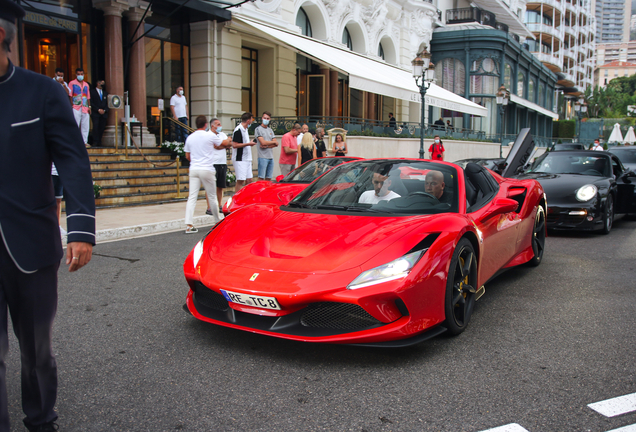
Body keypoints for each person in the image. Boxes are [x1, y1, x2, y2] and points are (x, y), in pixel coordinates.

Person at [0, 3, 96, 431]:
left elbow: (73, 161)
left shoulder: (42, 91)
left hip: (30, 244)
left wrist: (81, 230)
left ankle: (40, 421)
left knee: (36, 348)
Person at [184, 115, 223, 233]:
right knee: (212, 196)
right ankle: (217, 221)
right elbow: (222, 143)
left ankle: (189, 224)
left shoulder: (190, 137)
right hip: (206, 168)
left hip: (194, 169)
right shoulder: (209, 135)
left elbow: (187, 156)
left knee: (192, 197)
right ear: (206, 124)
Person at [209, 118, 232, 212]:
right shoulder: (209, 134)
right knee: (211, 187)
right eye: (218, 124)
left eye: (220, 124)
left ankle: (219, 205)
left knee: (220, 186)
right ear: (212, 126)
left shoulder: (222, 134)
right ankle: (210, 206)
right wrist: (224, 144)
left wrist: (224, 144)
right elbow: (215, 145)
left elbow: (229, 143)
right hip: (213, 163)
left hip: (222, 163)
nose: (220, 126)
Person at [231, 112, 256, 192]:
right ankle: (237, 198)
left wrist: (249, 143)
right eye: (252, 119)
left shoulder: (246, 130)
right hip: (240, 159)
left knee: (249, 180)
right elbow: (234, 144)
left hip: (247, 158)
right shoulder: (238, 130)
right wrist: (248, 143)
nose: (252, 121)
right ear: (248, 120)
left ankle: (247, 197)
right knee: (241, 180)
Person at [68, 67, 91, 148]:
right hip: (76, 106)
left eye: (81, 74)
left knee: (85, 125)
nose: (80, 75)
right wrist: (71, 105)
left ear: (84, 74)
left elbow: (88, 97)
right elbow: (70, 95)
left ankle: (84, 141)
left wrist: (89, 106)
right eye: (78, 74)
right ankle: (74, 141)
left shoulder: (86, 85)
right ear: (76, 74)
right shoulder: (72, 83)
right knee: (75, 123)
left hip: (85, 106)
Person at [254, 111, 278, 180]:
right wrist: (270, 142)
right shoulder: (258, 129)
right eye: (265, 118)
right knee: (261, 178)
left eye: (268, 118)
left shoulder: (270, 130)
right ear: (262, 118)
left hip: (270, 157)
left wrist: (267, 145)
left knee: (269, 178)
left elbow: (276, 143)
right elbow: (263, 142)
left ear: (270, 119)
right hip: (262, 157)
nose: (266, 120)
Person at [90, 79, 108, 147]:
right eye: (102, 83)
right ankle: (95, 141)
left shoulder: (105, 93)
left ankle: (100, 141)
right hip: (95, 113)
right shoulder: (92, 92)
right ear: (98, 83)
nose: (103, 84)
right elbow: (91, 102)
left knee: (102, 127)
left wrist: (104, 110)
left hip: (103, 114)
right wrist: (98, 109)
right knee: (95, 127)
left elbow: (108, 103)